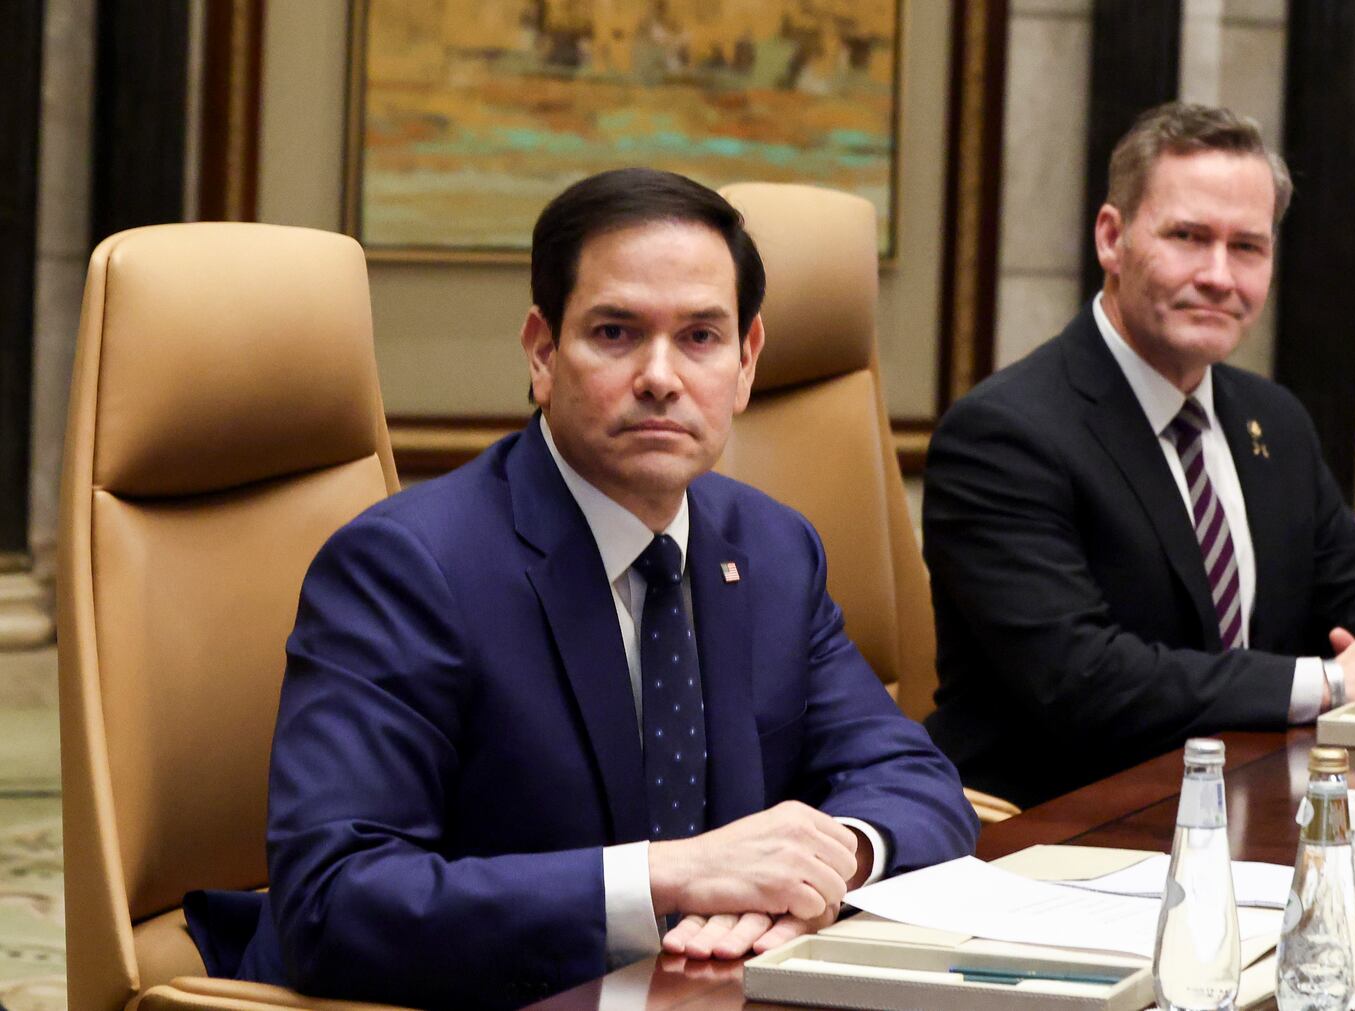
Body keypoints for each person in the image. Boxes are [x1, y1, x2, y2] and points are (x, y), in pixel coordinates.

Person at [187, 167, 978, 1009]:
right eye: (615, 331)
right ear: (541, 351)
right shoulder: (409, 566)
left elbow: (915, 781)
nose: (661, 376)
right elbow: (332, 901)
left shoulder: (774, 548)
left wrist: (827, 861)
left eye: (702, 338)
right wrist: (671, 875)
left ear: (747, 363)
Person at [921, 103, 1355, 808]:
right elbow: (1083, 681)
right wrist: (1336, 682)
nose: (1218, 275)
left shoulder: (1274, 421)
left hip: (1249, 805)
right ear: (1111, 239)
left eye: (1247, 248)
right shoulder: (1003, 435)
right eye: (1188, 236)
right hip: (1059, 831)